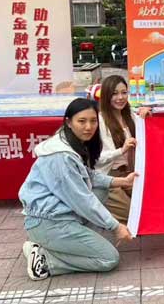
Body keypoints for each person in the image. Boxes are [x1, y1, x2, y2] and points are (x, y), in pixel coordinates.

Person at [19, 98, 136, 280]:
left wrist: (121, 181)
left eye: (93, 121)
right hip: (49, 221)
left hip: (58, 214)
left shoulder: (70, 143)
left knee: (102, 188)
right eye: (82, 121)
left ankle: (59, 242)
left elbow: (89, 175)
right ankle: (45, 259)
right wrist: (115, 226)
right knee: (108, 258)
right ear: (69, 122)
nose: (88, 127)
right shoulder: (61, 156)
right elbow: (82, 199)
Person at [96, 75, 138, 224]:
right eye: (114, 93)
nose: (120, 97)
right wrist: (121, 150)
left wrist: (146, 115)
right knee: (131, 214)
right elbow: (96, 158)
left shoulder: (131, 116)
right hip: (110, 176)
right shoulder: (99, 120)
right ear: (106, 95)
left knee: (147, 205)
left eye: (124, 92)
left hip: (131, 173)